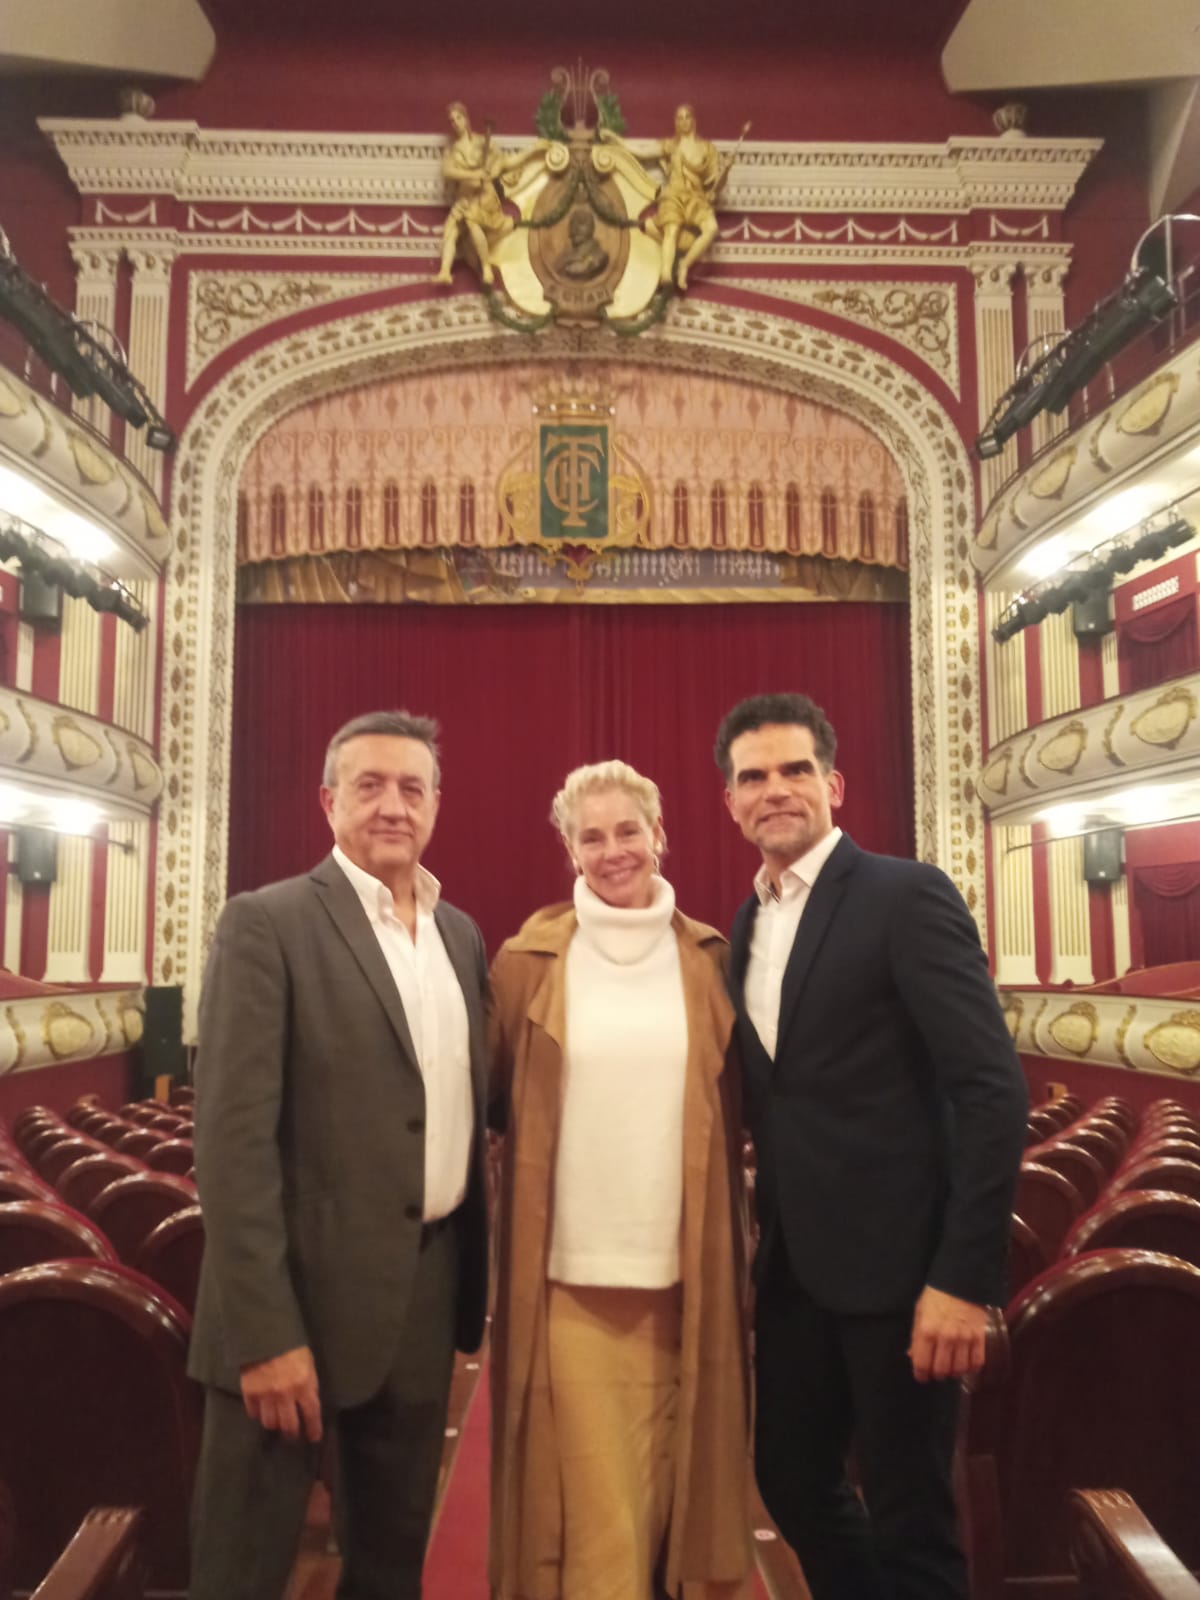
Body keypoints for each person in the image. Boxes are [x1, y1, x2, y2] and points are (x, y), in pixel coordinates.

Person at [714, 692, 1027, 1600]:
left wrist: (964, 1281)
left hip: (905, 1280)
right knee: (790, 1478)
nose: (775, 790)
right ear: (729, 803)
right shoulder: (746, 925)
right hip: (797, 1276)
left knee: (912, 1516)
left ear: (834, 784)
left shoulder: (905, 894)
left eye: (794, 770)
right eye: (753, 777)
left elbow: (991, 1088)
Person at [188, 709, 490, 1600]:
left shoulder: (461, 936)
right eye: (370, 785)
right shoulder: (265, 924)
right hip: (294, 1306)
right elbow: (231, 1146)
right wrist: (265, 1334)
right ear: (328, 801)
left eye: (412, 787)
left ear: (437, 804)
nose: (393, 805)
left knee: (390, 1568)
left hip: (423, 1296)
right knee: (242, 1570)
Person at [488, 760, 753, 1600]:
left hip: (689, 1277)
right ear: (568, 848)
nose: (612, 851)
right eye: (590, 836)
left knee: (675, 1484)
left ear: (659, 834)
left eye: (627, 831)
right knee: (598, 1510)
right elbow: (489, 1101)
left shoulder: (714, 961)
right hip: (570, 1281)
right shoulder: (526, 962)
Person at [600, 105, 728, 290]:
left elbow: (715, 182)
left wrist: (722, 177)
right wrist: (615, 139)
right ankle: (666, 273)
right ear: (676, 122)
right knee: (671, 230)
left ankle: (684, 265)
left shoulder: (707, 149)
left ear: (694, 120)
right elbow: (642, 151)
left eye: (687, 117)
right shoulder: (671, 145)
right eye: (679, 118)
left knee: (711, 229)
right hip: (674, 194)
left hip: (696, 198)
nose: (684, 121)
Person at [432, 101, 545, 286]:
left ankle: (485, 267)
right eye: (451, 120)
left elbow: (505, 163)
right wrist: (473, 174)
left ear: (466, 119)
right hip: (465, 197)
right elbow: (448, 171)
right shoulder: (452, 150)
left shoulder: (483, 143)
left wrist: (534, 151)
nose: (455, 122)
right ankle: (445, 272)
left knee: (474, 223)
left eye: (458, 118)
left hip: (484, 197)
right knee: (450, 233)